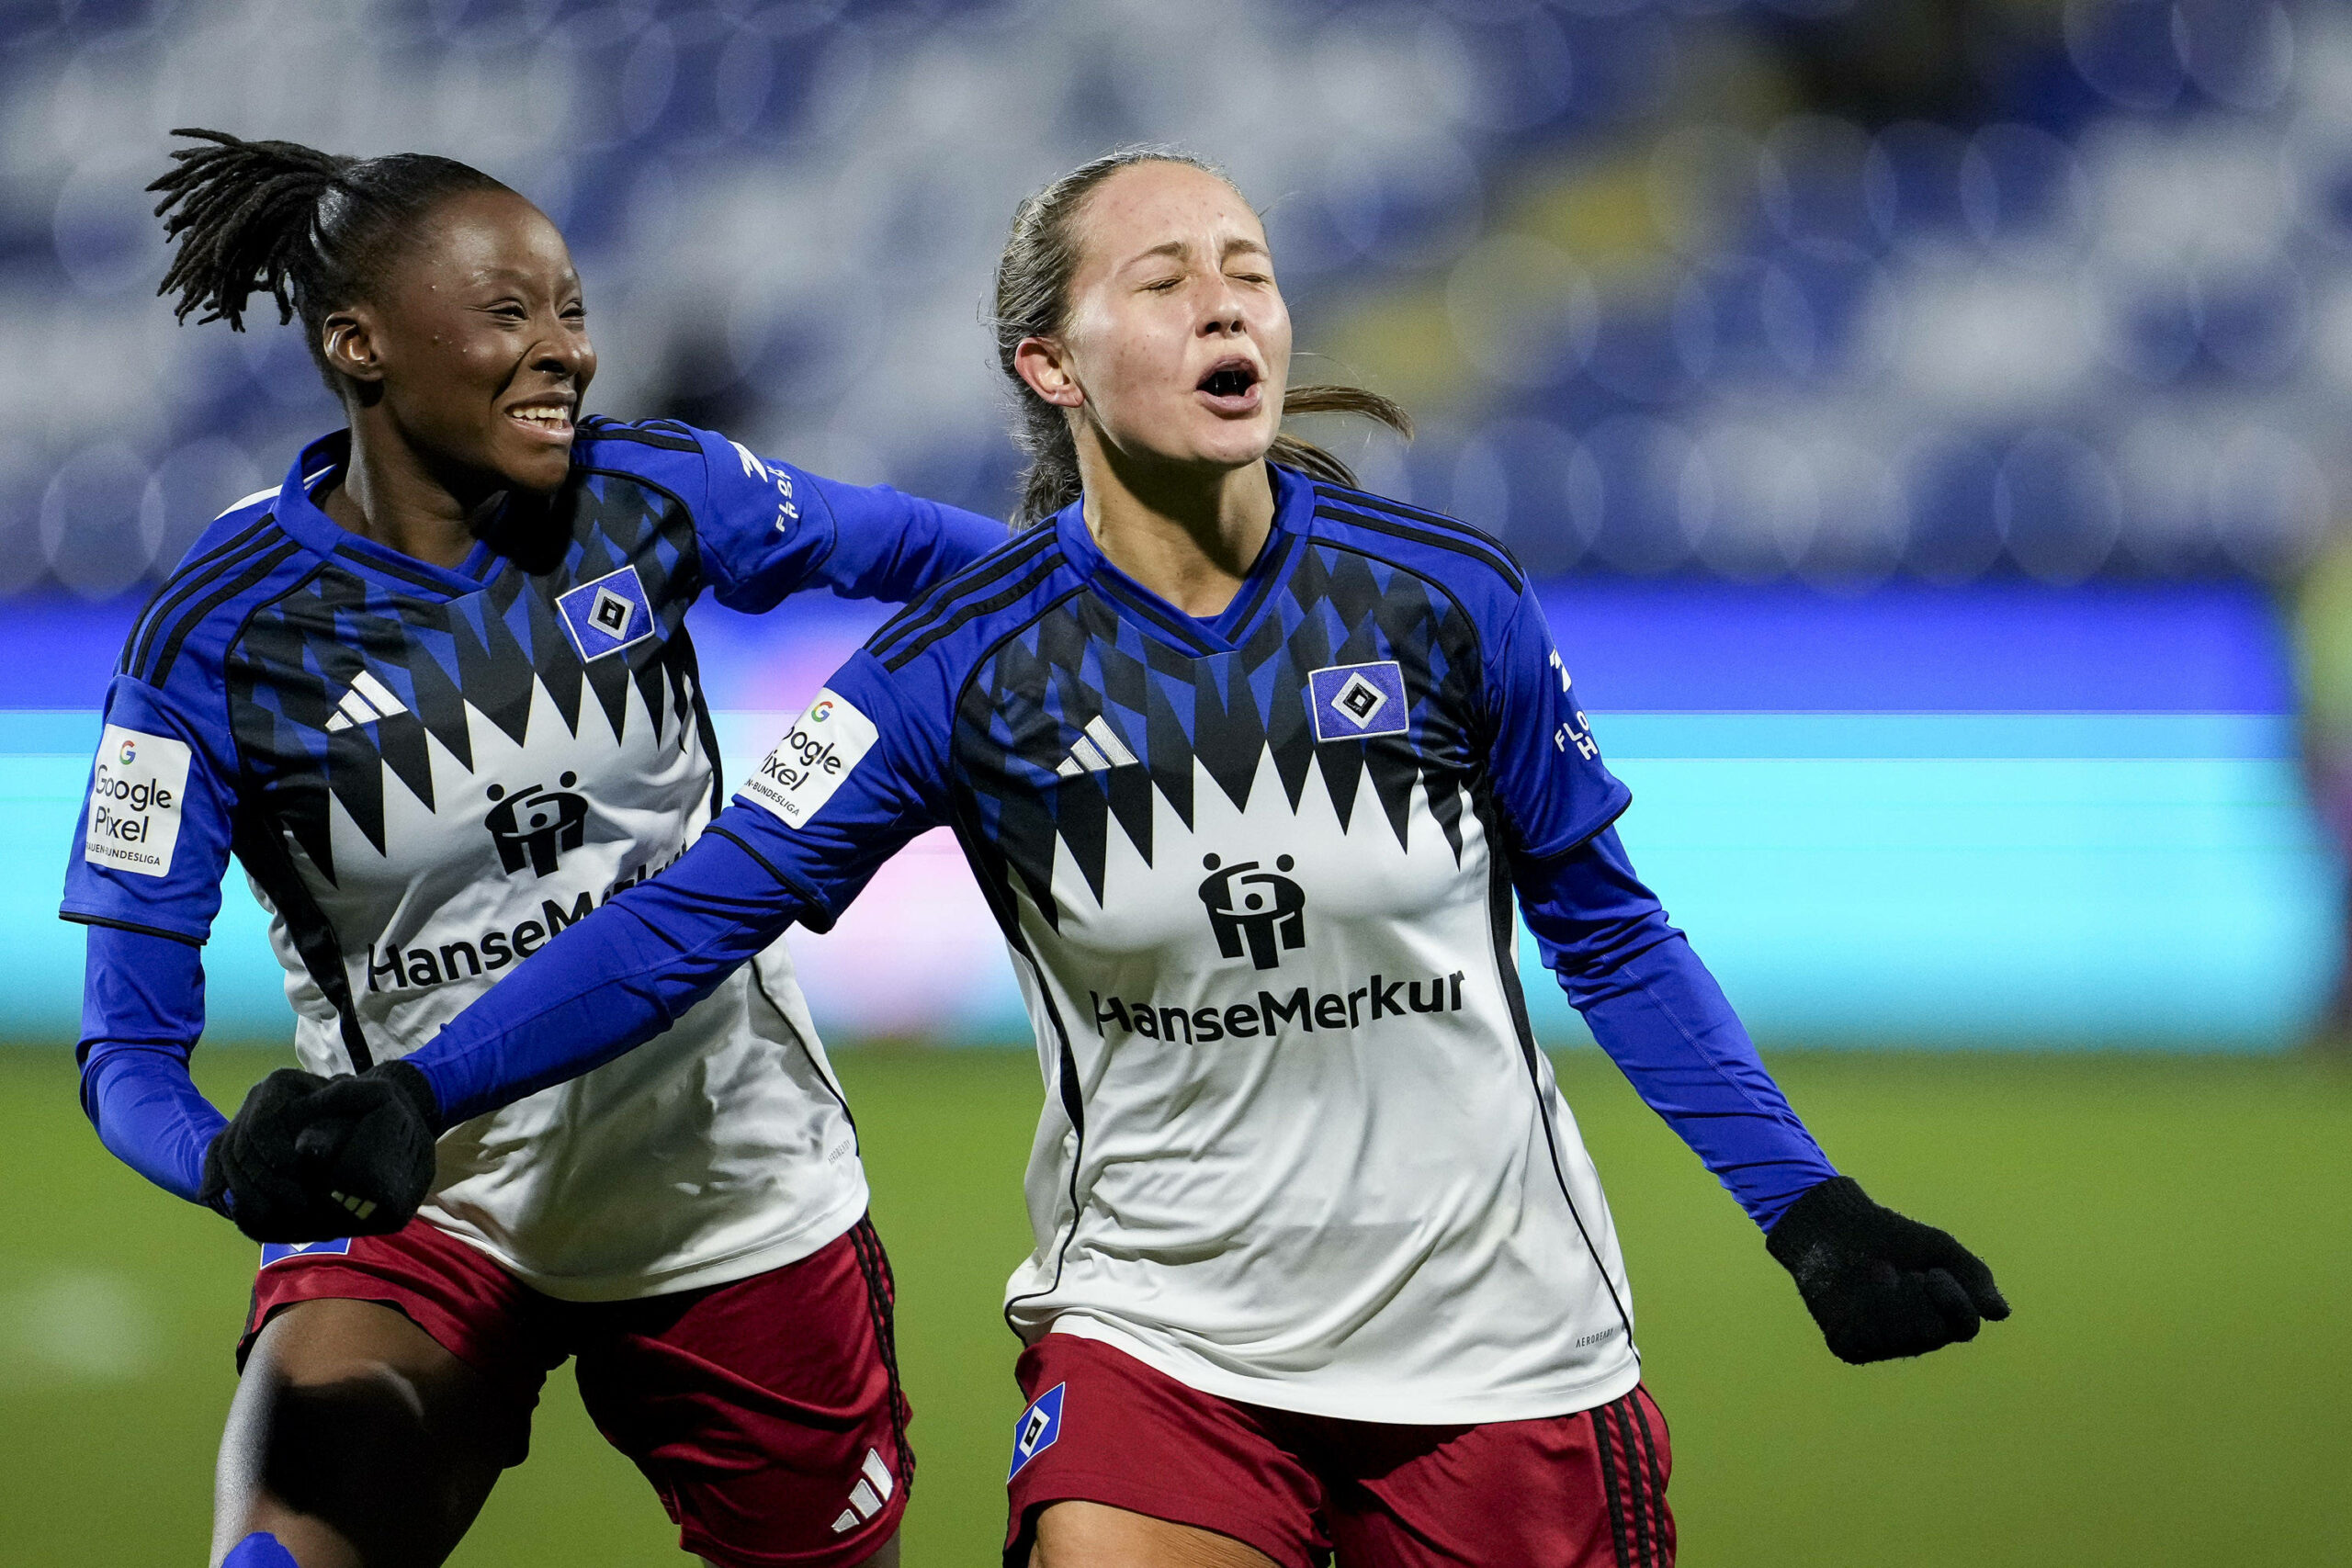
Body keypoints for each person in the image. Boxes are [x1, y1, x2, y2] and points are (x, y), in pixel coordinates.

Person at [232, 148, 2009, 1568]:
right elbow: (702, 909)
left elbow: (1610, 938)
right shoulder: (959, 668)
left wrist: (1807, 1205)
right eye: (1163, 280)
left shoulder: (1446, 602)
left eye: (1248, 270)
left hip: (1508, 1353)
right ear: (1053, 365)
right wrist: (429, 1089)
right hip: (1161, 1349)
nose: (1227, 303)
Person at [64, 130, 1007, 1568]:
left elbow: (970, 564)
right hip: (417, 1193)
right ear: (358, 342)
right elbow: (124, 1047)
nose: (564, 350)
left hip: (726, 1186)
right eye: (509, 314)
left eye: (571, 310)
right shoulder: (214, 636)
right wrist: (224, 1165)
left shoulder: (656, 496)